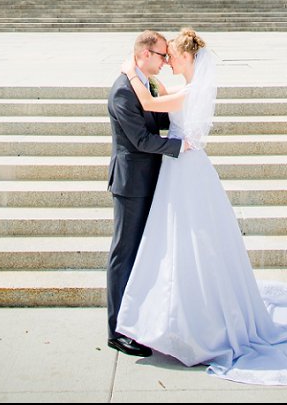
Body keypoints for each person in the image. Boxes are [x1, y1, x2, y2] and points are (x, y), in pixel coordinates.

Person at [115, 28, 287, 385]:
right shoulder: (189, 88)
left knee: (189, 236)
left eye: (172, 56)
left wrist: (131, 73)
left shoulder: (191, 90)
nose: (167, 61)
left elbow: (152, 104)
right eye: (163, 56)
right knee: (184, 237)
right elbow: (163, 98)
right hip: (183, 166)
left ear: (187, 57)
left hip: (185, 168)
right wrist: (146, 78)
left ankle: (189, 319)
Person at [106, 29, 189, 357]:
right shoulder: (123, 91)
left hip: (149, 179)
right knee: (124, 254)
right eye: (162, 55)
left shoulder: (146, 84)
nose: (165, 61)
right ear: (144, 54)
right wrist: (180, 146)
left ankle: (135, 321)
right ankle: (116, 330)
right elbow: (141, 140)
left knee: (141, 254)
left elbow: (159, 118)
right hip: (131, 185)